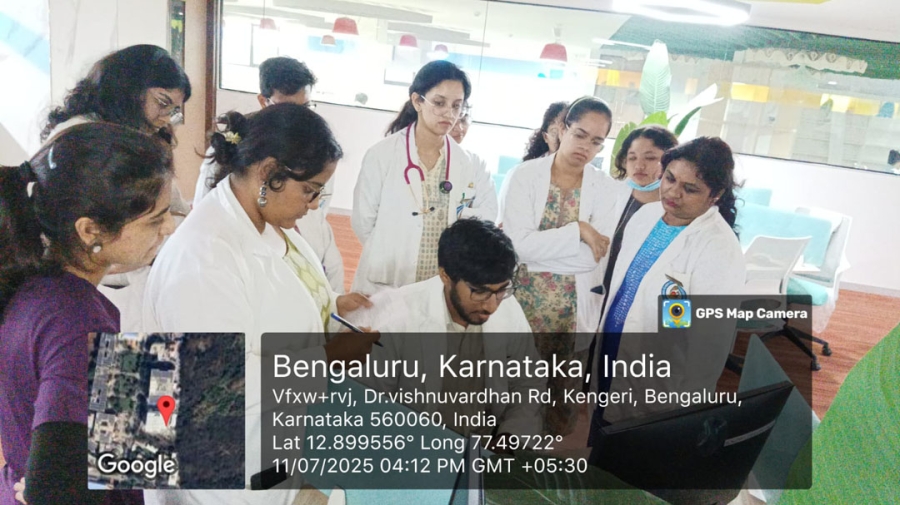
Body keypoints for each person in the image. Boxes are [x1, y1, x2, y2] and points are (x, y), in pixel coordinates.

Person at [143, 104, 378, 505]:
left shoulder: (268, 227)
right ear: (269, 173)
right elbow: (216, 385)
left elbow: (282, 304)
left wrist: (332, 307)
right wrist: (329, 357)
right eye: (310, 190)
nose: (314, 204)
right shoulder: (203, 259)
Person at [0, 123, 176, 505]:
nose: (169, 227)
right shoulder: (77, 321)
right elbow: (56, 488)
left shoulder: (39, 286)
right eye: (155, 219)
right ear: (90, 230)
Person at [590, 137, 746, 431]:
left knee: (635, 449)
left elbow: (710, 344)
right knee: (601, 432)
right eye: (670, 178)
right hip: (612, 349)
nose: (673, 192)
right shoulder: (646, 216)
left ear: (715, 195)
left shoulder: (719, 249)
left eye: (690, 189)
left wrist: (684, 413)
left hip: (662, 379)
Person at [38, 44, 192, 331]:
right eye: (162, 103)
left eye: (173, 110)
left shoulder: (143, 137)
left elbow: (176, 209)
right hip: (111, 286)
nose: (165, 118)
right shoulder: (81, 138)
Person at [501, 96, 626, 436]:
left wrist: (538, 248)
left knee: (557, 408)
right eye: (580, 134)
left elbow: (592, 257)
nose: (586, 147)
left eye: (597, 141)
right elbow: (515, 245)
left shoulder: (606, 189)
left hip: (571, 315)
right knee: (508, 398)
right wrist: (579, 231)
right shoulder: (523, 176)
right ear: (562, 128)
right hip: (521, 306)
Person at [347, 219, 541, 437]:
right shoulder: (396, 318)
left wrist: (510, 436)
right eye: (479, 292)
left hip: (484, 442)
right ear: (445, 276)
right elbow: (368, 405)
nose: (491, 305)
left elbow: (529, 381)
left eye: (501, 290)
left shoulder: (507, 307)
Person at [192, 56, 345, 292]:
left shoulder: (317, 147)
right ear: (263, 101)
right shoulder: (213, 253)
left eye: (305, 107)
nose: (297, 117)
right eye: (286, 107)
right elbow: (205, 205)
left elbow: (318, 210)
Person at [351, 60, 498, 295]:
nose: (449, 113)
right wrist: (387, 247)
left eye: (457, 106)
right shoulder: (382, 155)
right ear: (417, 101)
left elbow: (488, 216)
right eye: (439, 103)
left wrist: (456, 216)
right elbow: (363, 221)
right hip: (389, 277)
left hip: (439, 278)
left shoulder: (468, 163)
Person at [601, 126, 679, 303]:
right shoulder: (612, 194)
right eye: (632, 158)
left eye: (650, 158)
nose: (639, 165)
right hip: (602, 292)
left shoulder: (675, 210)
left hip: (643, 300)